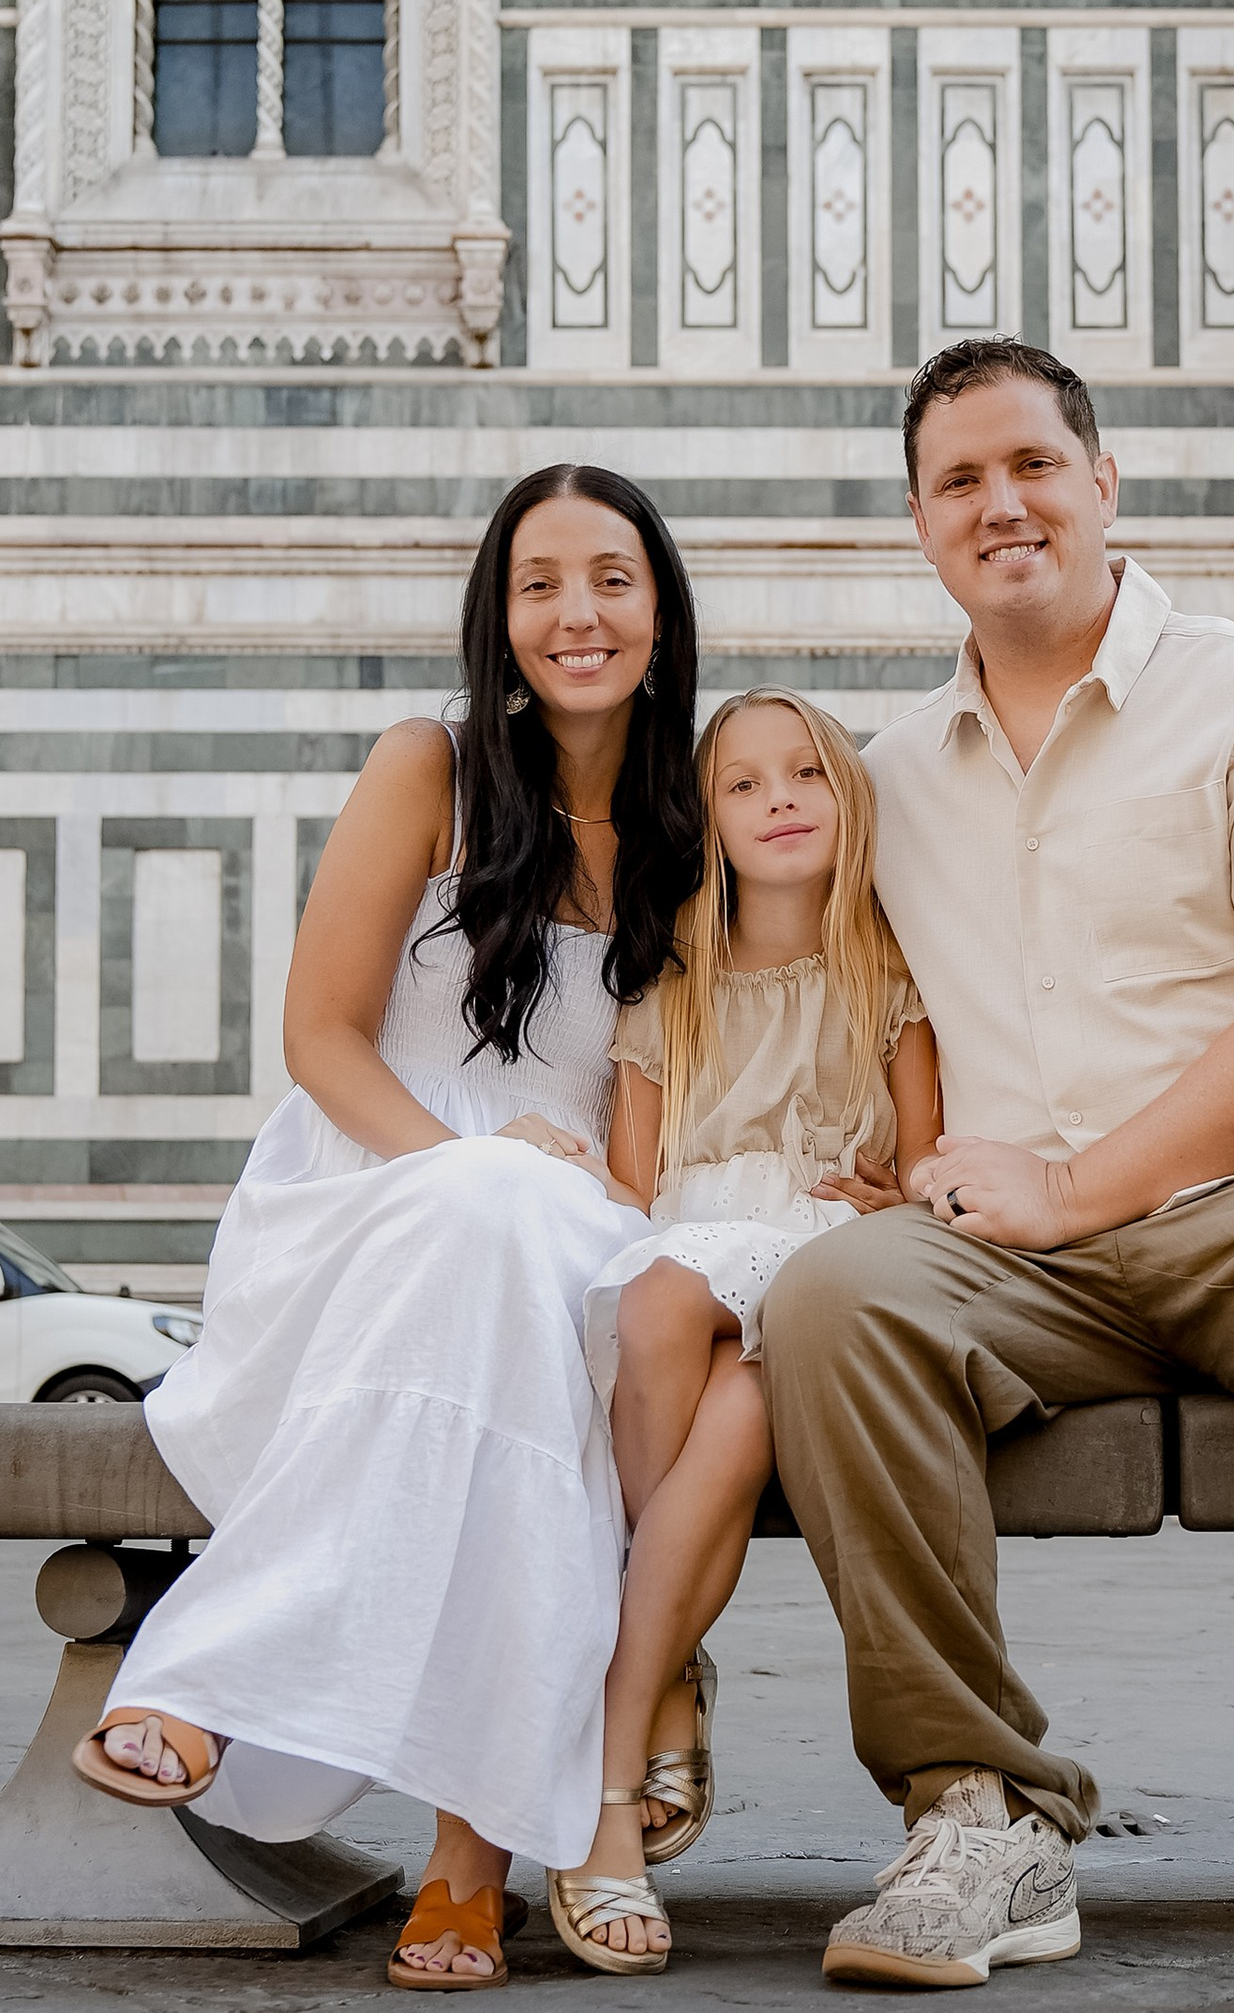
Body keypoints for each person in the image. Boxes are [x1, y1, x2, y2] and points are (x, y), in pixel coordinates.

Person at [760, 337, 1234, 2013]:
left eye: (1034, 464)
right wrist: (872, 1161)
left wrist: (1080, 1186)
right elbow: (845, 1011)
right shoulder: (888, 776)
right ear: (919, 524)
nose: (1002, 503)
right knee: (831, 1302)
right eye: (959, 480)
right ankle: (980, 1811)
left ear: (1105, 485)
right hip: (1026, 1252)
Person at [65, 464, 706, 1996]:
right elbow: (322, 1035)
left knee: (538, 1294)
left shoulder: (695, 825)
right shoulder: (431, 765)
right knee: (493, 1250)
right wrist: (469, 1169)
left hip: (578, 1221)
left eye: (612, 579)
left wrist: (566, 1190)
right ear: (500, 615)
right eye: (540, 583)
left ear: (662, 614)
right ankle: (468, 1863)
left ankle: (211, 1684)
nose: (577, 613)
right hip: (367, 1190)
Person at [551, 690, 943, 1974]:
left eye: (806, 774)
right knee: (671, 1309)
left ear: (849, 797)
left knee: (717, 1359)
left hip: (823, 1261)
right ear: (707, 821)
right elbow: (630, 1188)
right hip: (687, 1260)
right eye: (744, 784)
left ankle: (608, 1778)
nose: (779, 800)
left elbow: (925, 1164)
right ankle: (665, 1677)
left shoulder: (891, 973)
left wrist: (902, 1196)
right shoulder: (669, 985)